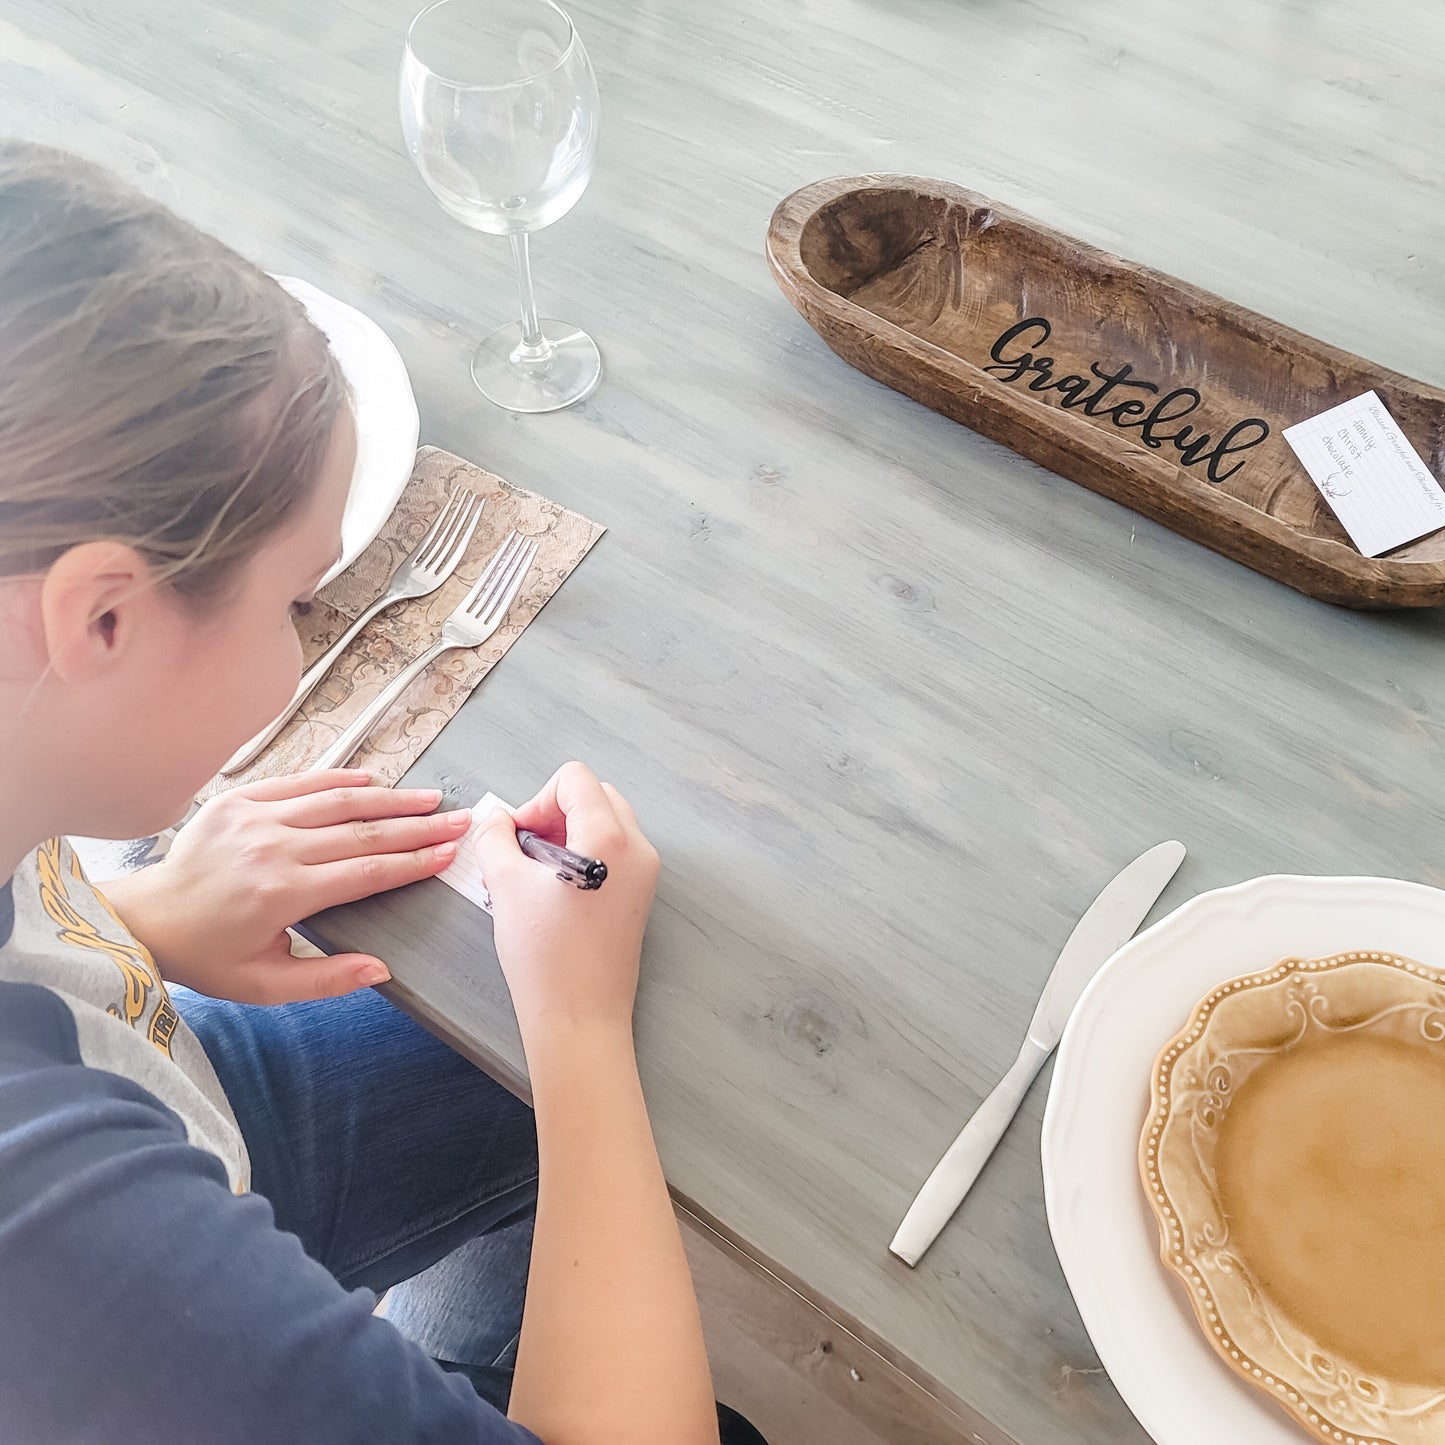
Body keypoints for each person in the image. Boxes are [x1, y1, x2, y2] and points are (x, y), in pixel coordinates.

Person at [0, 139, 764, 1445]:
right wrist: (573, 1032)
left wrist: (118, 925)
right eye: (299, 598)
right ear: (102, 615)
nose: (306, 642)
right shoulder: (55, 1251)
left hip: (154, 1073)